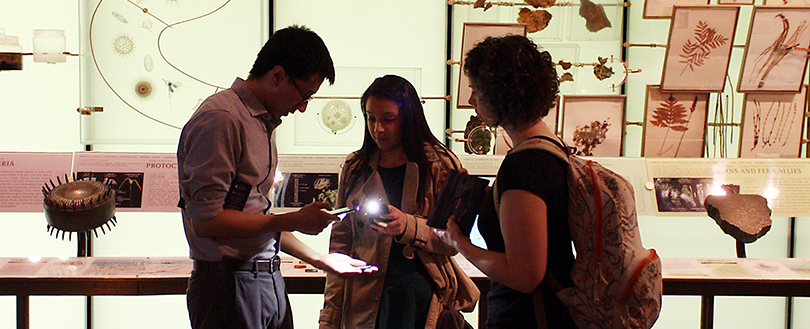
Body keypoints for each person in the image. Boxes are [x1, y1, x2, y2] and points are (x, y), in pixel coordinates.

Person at [177, 25, 373, 329]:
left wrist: (321, 260)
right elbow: (207, 221)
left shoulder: (260, 123)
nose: (303, 107)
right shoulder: (221, 119)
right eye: (304, 94)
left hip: (264, 279)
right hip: (228, 287)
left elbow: (257, 218)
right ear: (278, 75)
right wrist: (292, 220)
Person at [435, 35, 577, 328]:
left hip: (527, 318)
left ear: (499, 92)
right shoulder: (551, 148)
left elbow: (525, 276)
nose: (472, 101)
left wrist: (460, 244)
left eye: (476, 91)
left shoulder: (524, 166)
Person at [319, 75, 478, 329]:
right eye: (371, 118)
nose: (378, 128)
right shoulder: (355, 166)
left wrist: (409, 227)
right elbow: (340, 243)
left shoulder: (440, 164)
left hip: (420, 297)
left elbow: (454, 241)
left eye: (388, 119)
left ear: (408, 117)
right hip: (365, 297)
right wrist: (330, 317)